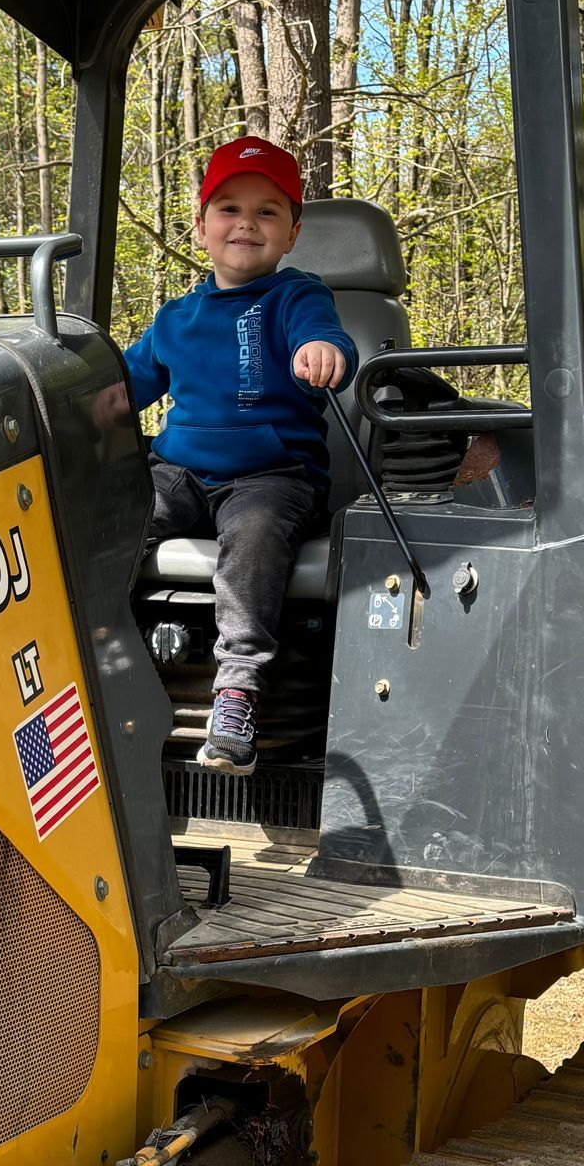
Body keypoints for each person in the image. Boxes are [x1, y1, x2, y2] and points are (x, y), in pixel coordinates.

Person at [123, 136, 356, 774]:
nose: (246, 222)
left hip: (272, 476)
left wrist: (323, 352)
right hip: (180, 473)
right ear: (201, 227)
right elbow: (120, 389)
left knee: (253, 537)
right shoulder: (176, 318)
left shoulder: (295, 296)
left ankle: (237, 690)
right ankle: (102, 658)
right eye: (228, 208)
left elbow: (324, 334)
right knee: (113, 519)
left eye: (267, 211)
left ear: (292, 232)